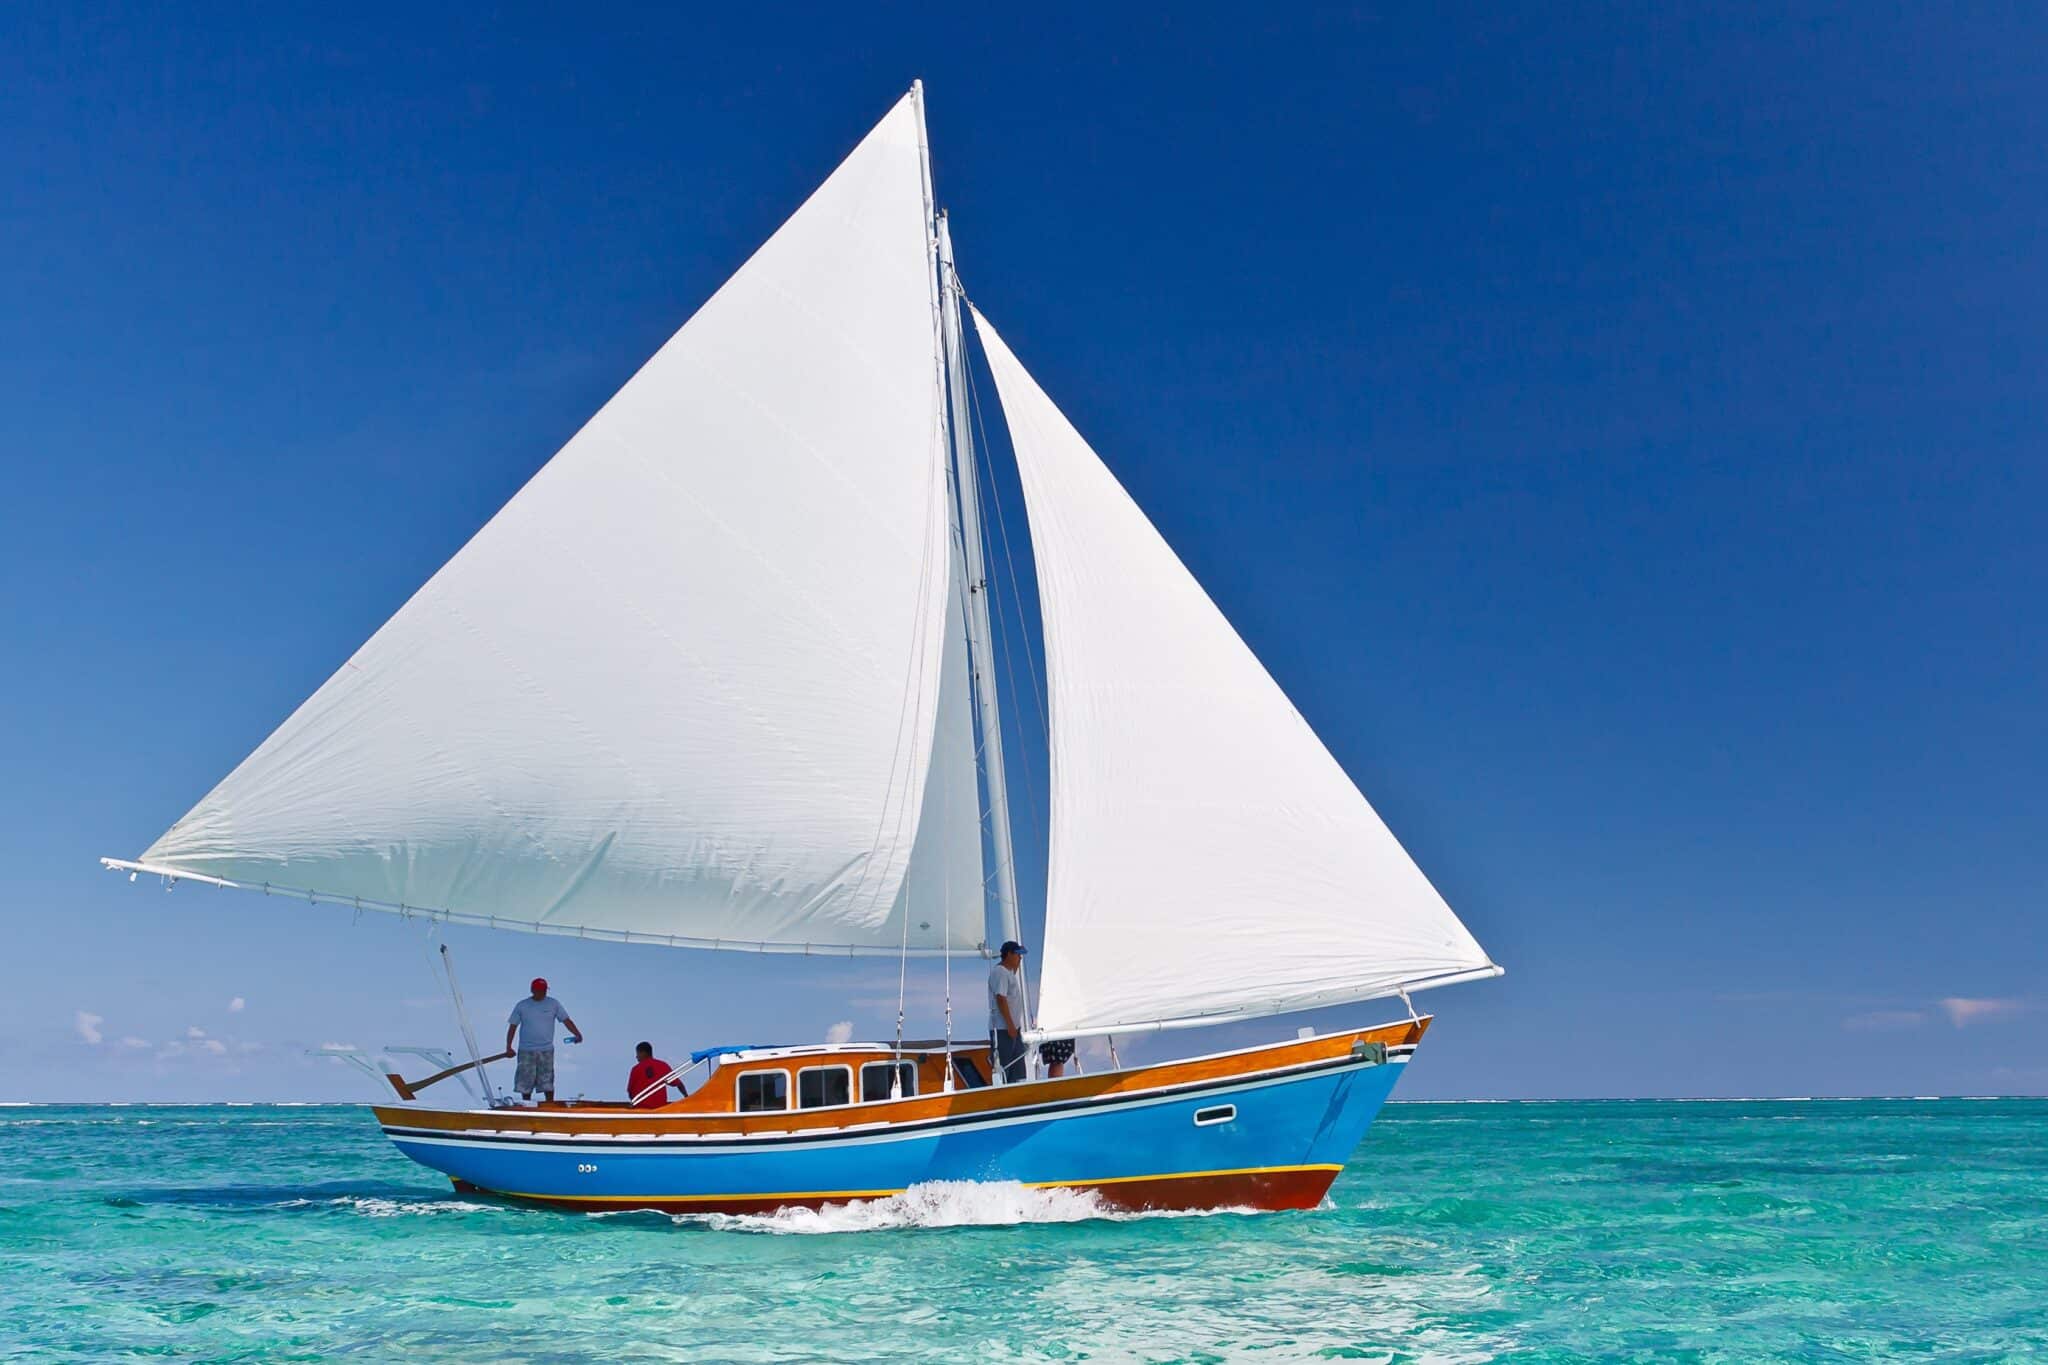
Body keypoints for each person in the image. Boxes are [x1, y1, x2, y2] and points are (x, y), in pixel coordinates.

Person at [504, 977, 581, 1103]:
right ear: (532, 990)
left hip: (546, 1050)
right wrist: (508, 1047)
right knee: (525, 1083)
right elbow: (513, 1026)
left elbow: (566, 1020)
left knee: (547, 1082)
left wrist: (577, 1034)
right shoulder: (522, 1006)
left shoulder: (553, 1004)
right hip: (526, 1050)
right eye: (540, 990)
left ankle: (550, 1106)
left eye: (544, 990)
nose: (543, 993)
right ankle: (526, 1105)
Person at [988, 940, 1029, 1083]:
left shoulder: (1008, 972)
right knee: (1004, 1067)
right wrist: (1010, 1025)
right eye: (1017, 955)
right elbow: (1001, 998)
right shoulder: (1000, 972)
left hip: (1013, 1029)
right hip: (1003, 1029)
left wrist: (1014, 1027)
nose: (1020, 958)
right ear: (1009, 954)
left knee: (1017, 1067)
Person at [628, 1041, 687, 1109]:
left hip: (641, 1110)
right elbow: (679, 1084)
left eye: (638, 1053)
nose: (636, 1056)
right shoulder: (663, 1066)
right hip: (659, 1110)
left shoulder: (636, 1069)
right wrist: (686, 1096)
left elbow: (630, 1091)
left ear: (643, 1053)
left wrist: (634, 1104)